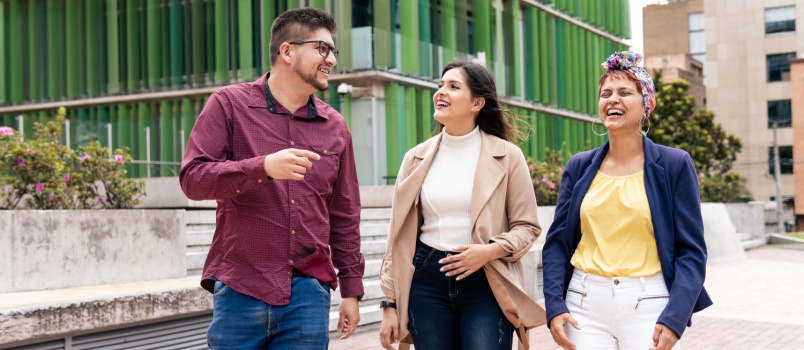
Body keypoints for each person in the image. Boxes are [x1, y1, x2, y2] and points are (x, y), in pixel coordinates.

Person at [179, 8, 364, 349]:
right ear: (288, 51)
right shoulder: (228, 105)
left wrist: (351, 288)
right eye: (322, 49)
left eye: (333, 51)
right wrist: (261, 168)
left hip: (308, 295)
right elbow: (193, 178)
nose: (332, 60)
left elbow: (345, 213)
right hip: (241, 287)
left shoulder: (335, 126)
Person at [542, 51, 713, 350]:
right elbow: (557, 242)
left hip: (649, 302)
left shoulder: (674, 164)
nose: (612, 100)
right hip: (584, 302)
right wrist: (555, 304)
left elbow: (692, 251)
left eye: (624, 92)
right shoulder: (579, 166)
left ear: (646, 104)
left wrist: (675, 318)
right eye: (605, 93)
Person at [378, 60, 546, 350]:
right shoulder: (414, 159)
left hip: (487, 280)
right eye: (440, 85)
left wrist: (488, 251)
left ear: (477, 103)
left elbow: (527, 227)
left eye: (453, 87)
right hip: (426, 280)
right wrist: (389, 304)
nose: (441, 92)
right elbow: (397, 239)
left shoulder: (508, 156)